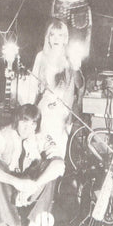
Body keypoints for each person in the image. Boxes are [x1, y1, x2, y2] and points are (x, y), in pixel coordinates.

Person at [30, 19, 82, 157]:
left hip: (64, 105)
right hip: (45, 103)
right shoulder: (41, 56)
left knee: (57, 144)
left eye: (60, 35)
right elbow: (33, 85)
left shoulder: (70, 58)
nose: (56, 39)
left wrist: (76, 68)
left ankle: (55, 164)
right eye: (52, 35)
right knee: (40, 137)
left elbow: (79, 85)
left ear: (65, 38)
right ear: (48, 38)